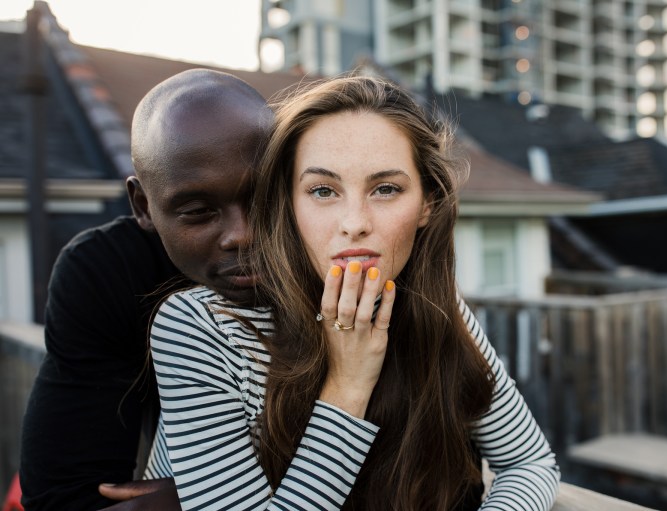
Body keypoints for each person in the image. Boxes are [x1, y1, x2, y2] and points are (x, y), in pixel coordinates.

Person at [144, 75, 560, 510]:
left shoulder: (437, 308)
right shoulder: (203, 329)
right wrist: (348, 384)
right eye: (323, 191)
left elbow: (529, 462)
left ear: (427, 204)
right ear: (288, 204)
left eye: (386, 189)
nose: (354, 222)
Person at [19, 68, 274, 511]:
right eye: (198, 210)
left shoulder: (342, 253)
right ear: (144, 206)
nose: (242, 234)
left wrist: (208, 492)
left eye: (265, 198)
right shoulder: (109, 272)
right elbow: (67, 498)